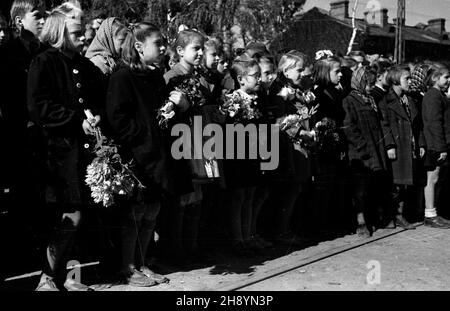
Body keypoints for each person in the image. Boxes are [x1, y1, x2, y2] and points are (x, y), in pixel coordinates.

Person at [28, 3, 104, 291]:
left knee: (78, 213)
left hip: (82, 152)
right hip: (55, 153)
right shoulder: (43, 62)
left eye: (83, 32)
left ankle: (65, 277)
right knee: (67, 215)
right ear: (59, 32)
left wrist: (96, 116)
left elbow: (97, 100)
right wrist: (74, 121)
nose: (83, 37)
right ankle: (47, 278)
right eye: (76, 32)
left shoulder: (85, 66)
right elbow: (39, 107)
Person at [106, 22, 180, 286]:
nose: (163, 48)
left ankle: (142, 262)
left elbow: (160, 112)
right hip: (137, 156)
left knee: (152, 211)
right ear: (138, 46)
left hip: (158, 155)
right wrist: (143, 134)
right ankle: (127, 267)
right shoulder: (122, 77)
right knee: (134, 214)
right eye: (157, 43)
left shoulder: (154, 76)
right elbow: (117, 117)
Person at [266, 50, 314, 245]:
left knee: (296, 188)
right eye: (299, 70)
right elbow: (280, 119)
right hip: (288, 145)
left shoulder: (298, 89)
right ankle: (280, 230)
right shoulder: (279, 91)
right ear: (286, 71)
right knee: (288, 189)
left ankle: (286, 228)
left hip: (301, 143)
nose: (302, 74)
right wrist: (300, 132)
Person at [342, 66, 391, 238]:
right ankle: (360, 222)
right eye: (368, 84)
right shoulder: (349, 100)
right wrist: (362, 147)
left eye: (372, 84)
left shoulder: (369, 99)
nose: (370, 87)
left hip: (374, 149)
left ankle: (371, 218)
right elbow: (349, 127)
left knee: (370, 186)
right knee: (359, 189)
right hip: (360, 152)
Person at [221, 56, 263, 256]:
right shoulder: (232, 100)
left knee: (249, 196)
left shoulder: (255, 99)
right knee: (238, 197)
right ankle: (237, 240)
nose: (259, 79)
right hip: (237, 155)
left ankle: (248, 237)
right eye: (255, 76)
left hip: (252, 154)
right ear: (241, 79)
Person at [378, 65, 425, 229]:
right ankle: (390, 215)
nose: (410, 81)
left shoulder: (409, 100)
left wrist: (421, 143)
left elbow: (418, 125)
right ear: (396, 80)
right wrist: (390, 144)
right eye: (407, 78)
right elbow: (384, 124)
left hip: (409, 146)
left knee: (405, 182)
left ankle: (400, 215)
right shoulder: (385, 100)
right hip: (397, 147)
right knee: (394, 184)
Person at [421, 63, 450, 228]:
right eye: (446, 77)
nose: (448, 81)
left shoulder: (440, 95)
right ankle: (430, 214)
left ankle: (434, 212)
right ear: (435, 78)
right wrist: (441, 148)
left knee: (438, 179)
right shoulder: (433, 96)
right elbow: (434, 123)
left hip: (440, 144)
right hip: (435, 145)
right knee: (433, 178)